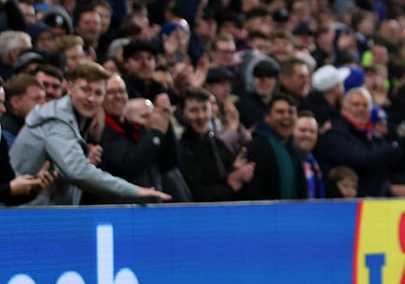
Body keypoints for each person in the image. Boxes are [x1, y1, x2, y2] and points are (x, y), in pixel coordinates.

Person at [10, 61, 172, 205]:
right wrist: (135, 191)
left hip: (41, 213)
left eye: (98, 93)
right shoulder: (56, 119)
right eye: (85, 90)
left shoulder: (78, 119)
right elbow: (77, 172)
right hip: (23, 216)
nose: (91, 99)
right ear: (70, 88)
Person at [177, 87, 256, 201]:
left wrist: (237, 171)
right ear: (183, 114)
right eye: (193, 111)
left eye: (204, 109)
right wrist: (230, 184)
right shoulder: (182, 150)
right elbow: (196, 195)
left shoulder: (220, 145)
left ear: (212, 111)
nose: (201, 116)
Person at [241, 91, 306, 201]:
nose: (286, 116)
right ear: (267, 117)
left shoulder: (294, 149)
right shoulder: (256, 148)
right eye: (280, 112)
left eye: (291, 112)